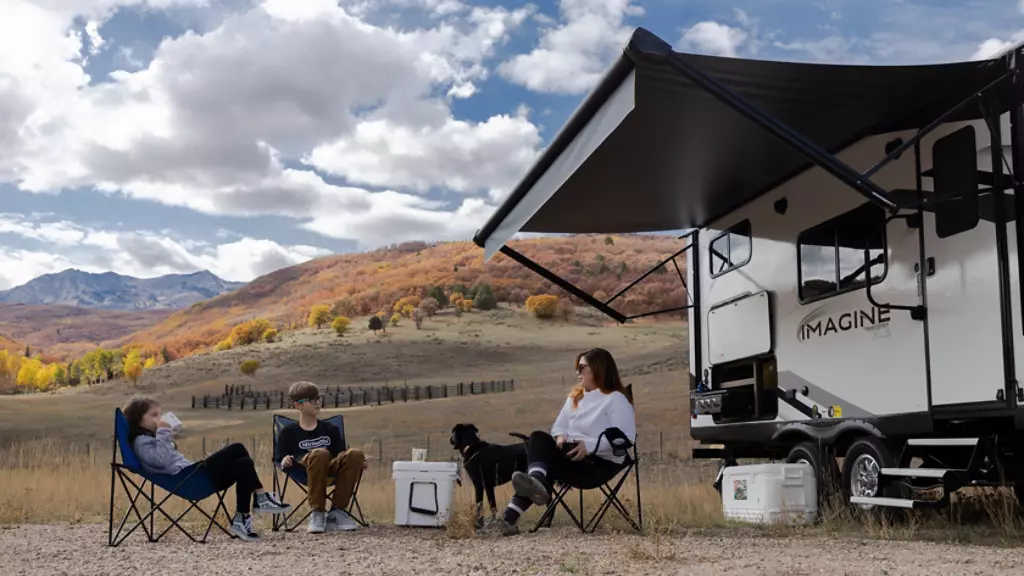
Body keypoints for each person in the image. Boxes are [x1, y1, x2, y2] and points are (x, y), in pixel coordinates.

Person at [497, 348, 636, 536]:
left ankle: (527, 495)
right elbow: (558, 427)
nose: (577, 372)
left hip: (596, 467)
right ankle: (523, 500)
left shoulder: (616, 399)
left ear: (598, 368)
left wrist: (590, 446)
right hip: (570, 458)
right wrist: (561, 436)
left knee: (541, 463)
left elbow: (626, 437)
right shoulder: (575, 398)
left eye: (582, 367)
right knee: (537, 437)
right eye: (576, 367)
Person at [123, 396, 291, 542]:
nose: (160, 418)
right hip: (190, 480)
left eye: (161, 414)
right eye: (154, 415)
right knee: (237, 448)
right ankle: (261, 497)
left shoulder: (151, 439)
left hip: (195, 478)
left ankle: (242, 519)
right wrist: (165, 430)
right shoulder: (141, 442)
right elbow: (161, 460)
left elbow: (163, 457)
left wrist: (165, 436)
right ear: (138, 421)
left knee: (244, 463)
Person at [274, 381, 367, 534]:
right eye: (312, 400)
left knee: (356, 453)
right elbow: (279, 459)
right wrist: (283, 460)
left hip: (330, 468)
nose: (317, 403)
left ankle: (337, 512)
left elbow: (341, 456)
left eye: (318, 399)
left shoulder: (331, 429)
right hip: (304, 471)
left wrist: (357, 461)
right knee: (319, 453)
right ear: (298, 405)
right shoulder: (288, 433)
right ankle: (317, 512)